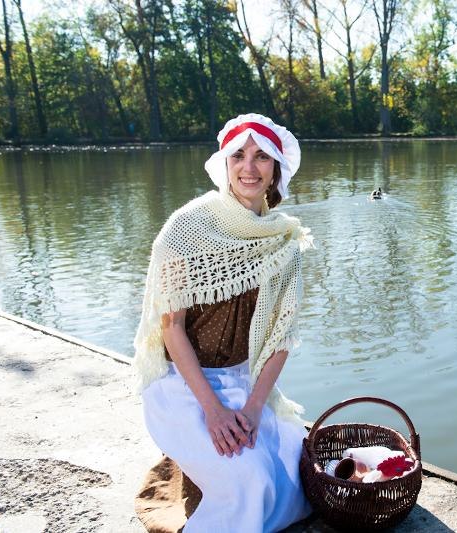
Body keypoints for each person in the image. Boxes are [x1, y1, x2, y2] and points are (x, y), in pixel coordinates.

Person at [133, 113, 314, 532]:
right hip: (182, 383)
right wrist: (213, 412)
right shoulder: (185, 229)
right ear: (225, 164)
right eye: (239, 155)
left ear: (276, 171)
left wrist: (252, 410)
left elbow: (281, 339)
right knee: (250, 481)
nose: (249, 167)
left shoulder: (284, 239)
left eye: (262, 157)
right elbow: (171, 328)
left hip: (243, 382)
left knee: (295, 469)